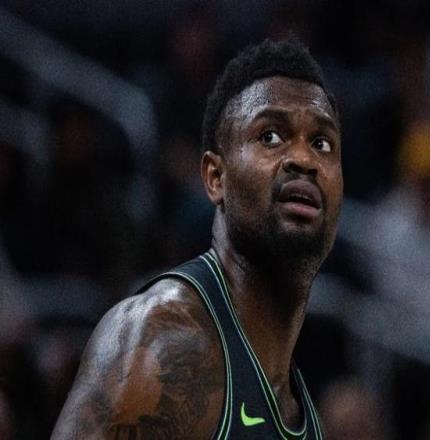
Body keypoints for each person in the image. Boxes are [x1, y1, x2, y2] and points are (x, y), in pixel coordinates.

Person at [52, 37, 343, 439]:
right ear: (214, 178)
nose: (304, 159)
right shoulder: (163, 343)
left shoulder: (301, 410)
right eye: (271, 137)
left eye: (322, 143)